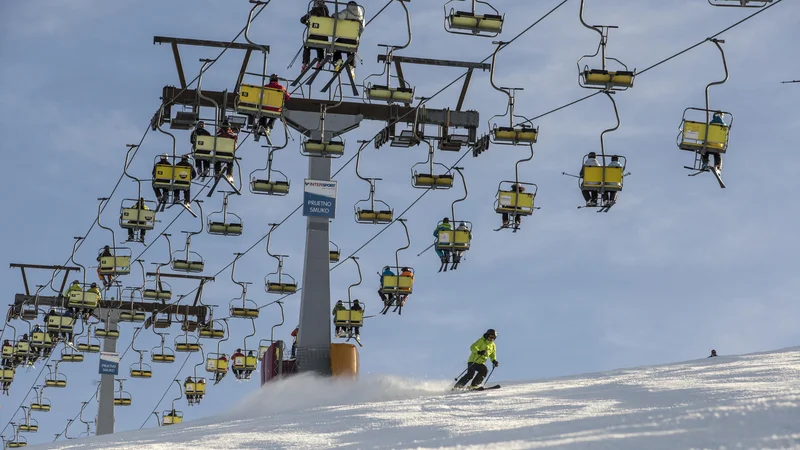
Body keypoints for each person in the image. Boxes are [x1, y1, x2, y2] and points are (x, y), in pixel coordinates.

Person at [331, 1, 365, 80]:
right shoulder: (361, 16)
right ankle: (351, 66)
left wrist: (333, 15)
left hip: (344, 38)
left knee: (336, 45)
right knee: (351, 50)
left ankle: (338, 60)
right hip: (353, 40)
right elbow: (362, 28)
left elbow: (340, 16)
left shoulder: (347, 11)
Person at [300, 0, 330, 71]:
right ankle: (321, 60)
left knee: (307, 47)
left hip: (314, 36)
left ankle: (305, 63)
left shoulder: (312, 12)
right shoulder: (327, 14)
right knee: (320, 47)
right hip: (324, 37)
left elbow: (302, 20)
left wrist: (308, 24)